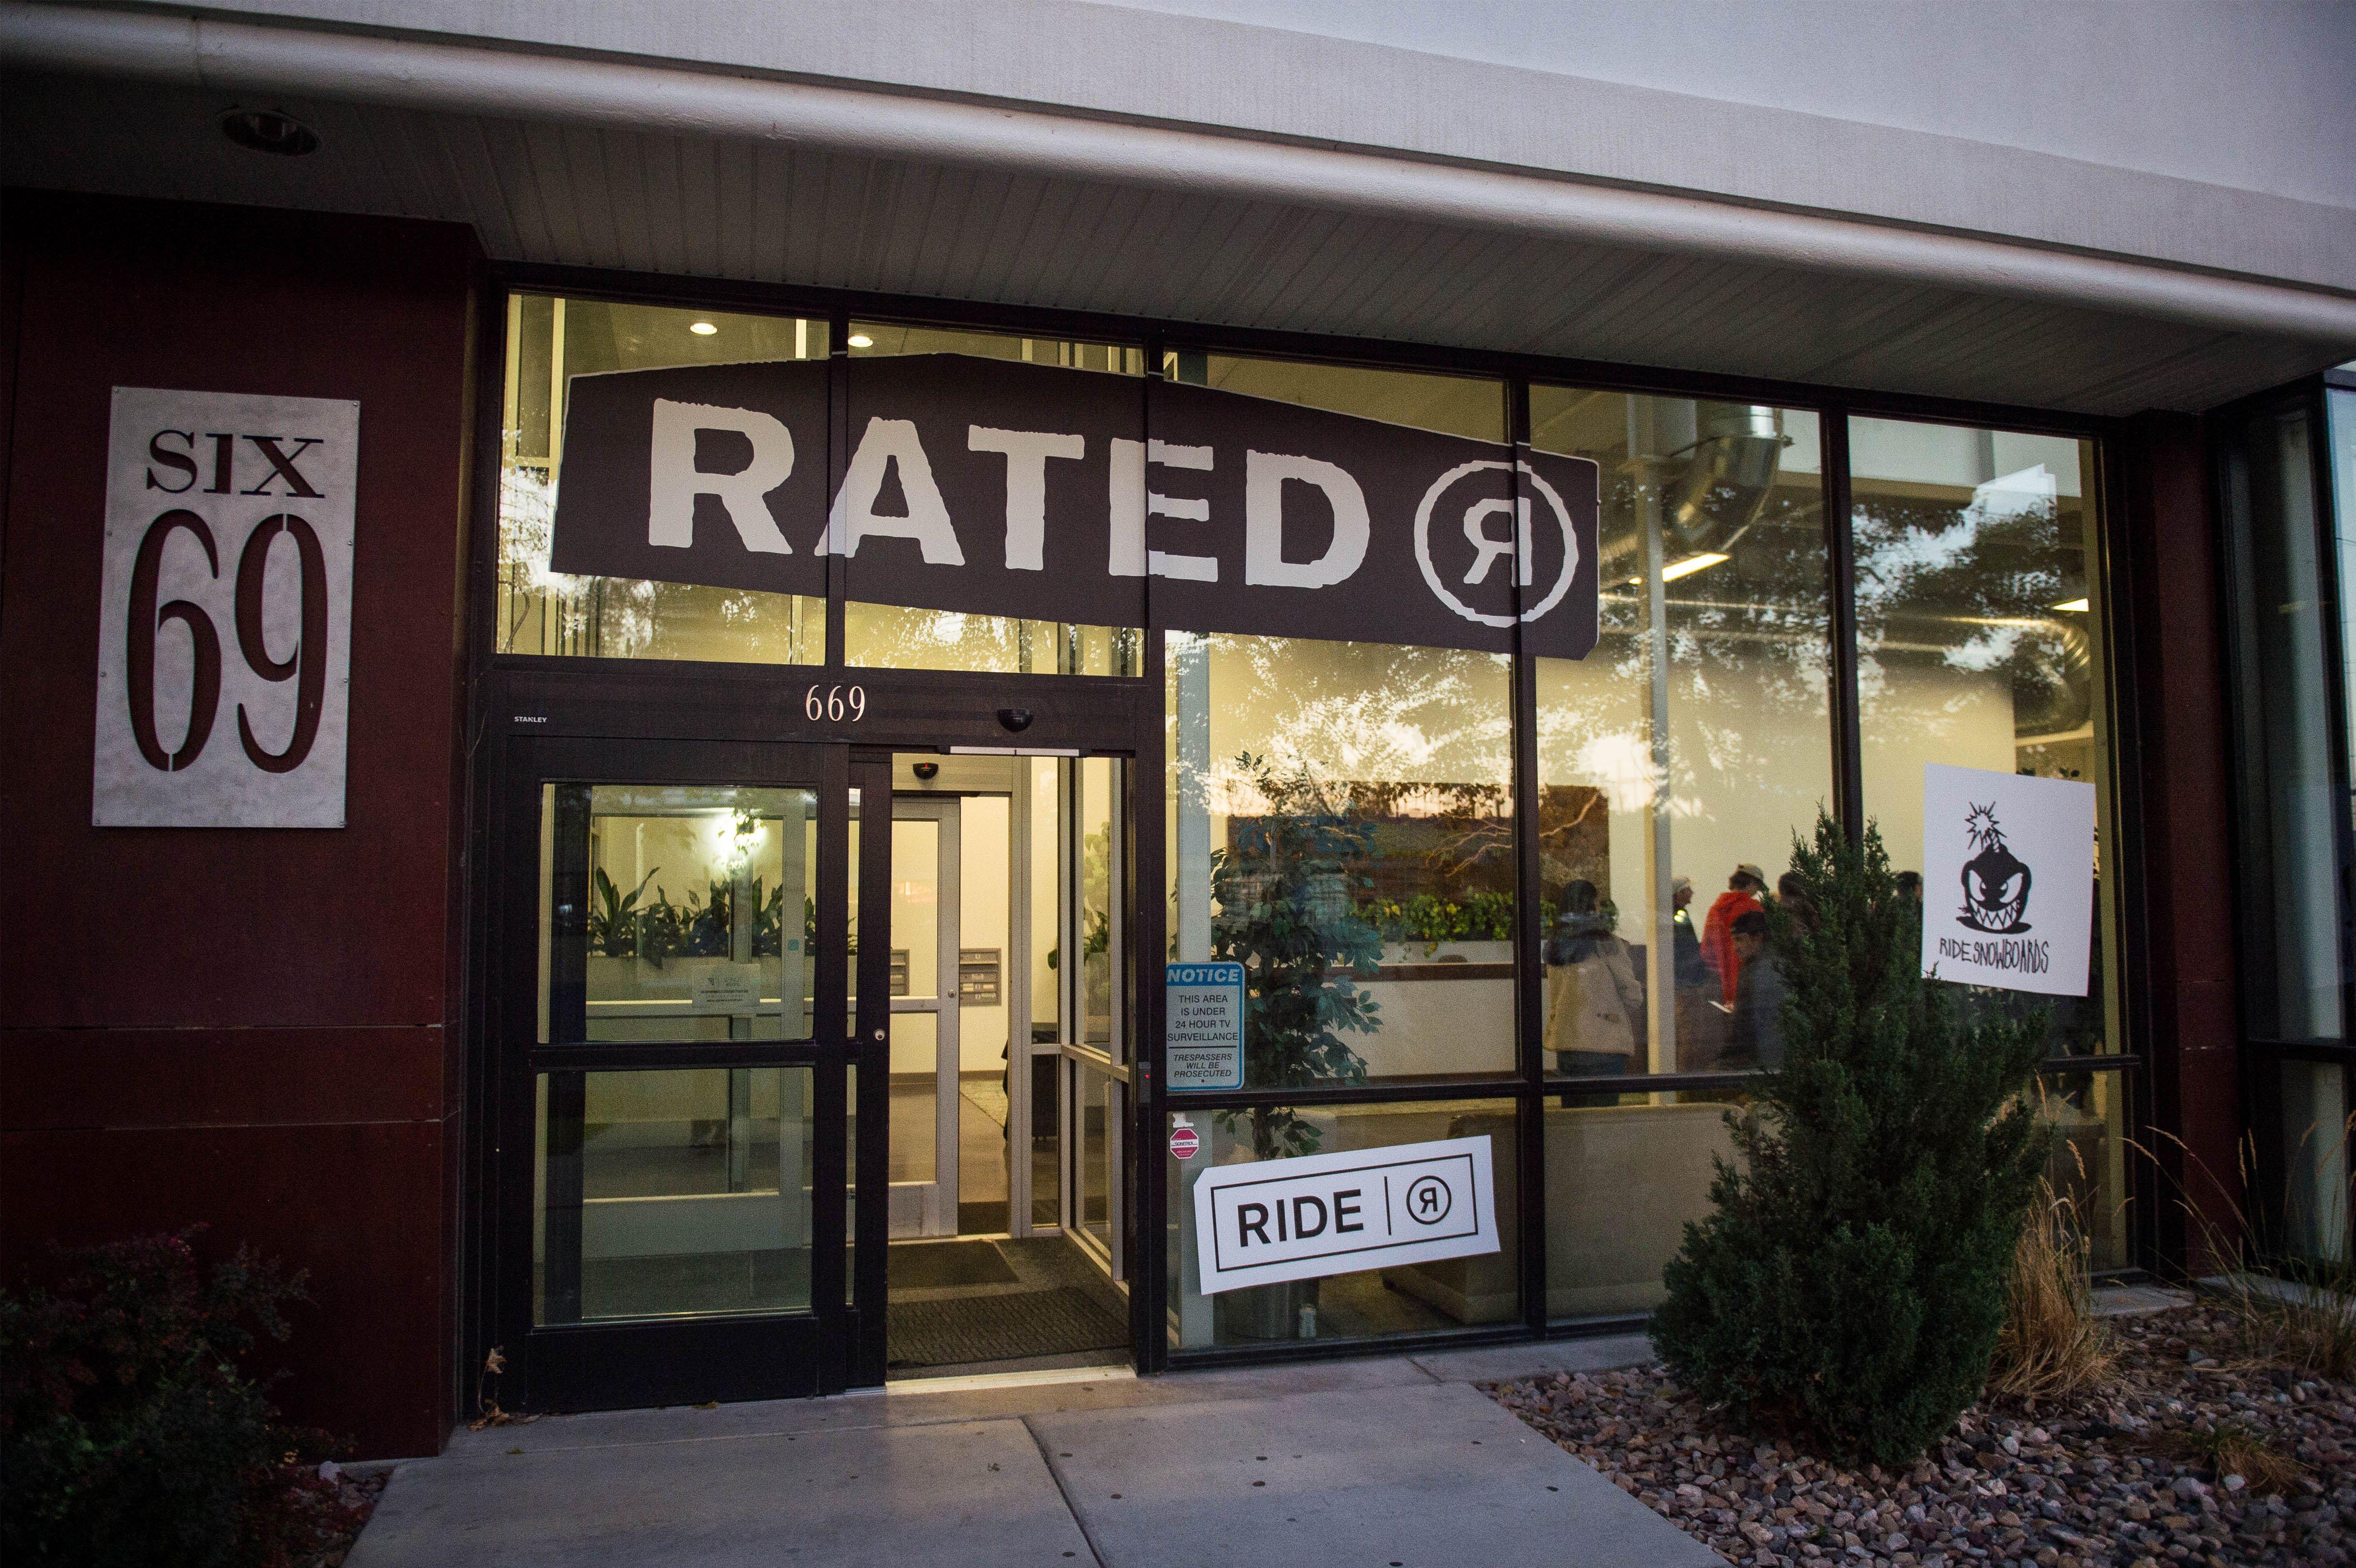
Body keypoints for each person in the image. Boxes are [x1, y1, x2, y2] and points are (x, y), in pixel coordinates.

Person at [1543, 880, 1644, 1077]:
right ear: (1591, 907)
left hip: (1566, 1042)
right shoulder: (1607, 944)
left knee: (1574, 1097)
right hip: (1604, 1042)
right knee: (1604, 1097)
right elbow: (1633, 996)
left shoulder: (1555, 947)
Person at [1726, 908, 1789, 1069]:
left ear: (1758, 939)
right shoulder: (1783, 963)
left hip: (1765, 1060)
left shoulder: (1755, 972)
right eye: (1734, 941)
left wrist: (1726, 1056)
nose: (1736, 948)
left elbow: (1743, 1025)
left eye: (1740, 940)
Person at [1700, 864, 1766, 1006]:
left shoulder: (1715, 909)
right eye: (1758, 886)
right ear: (1751, 883)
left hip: (1720, 983)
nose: (1757, 891)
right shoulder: (1754, 908)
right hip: (1746, 978)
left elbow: (1706, 950)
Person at [1670, 874, 1709, 988]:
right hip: (1684, 976)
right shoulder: (1678, 915)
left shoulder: (1676, 913)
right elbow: (1686, 944)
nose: (1692, 893)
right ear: (1680, 893)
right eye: (1688, 890)